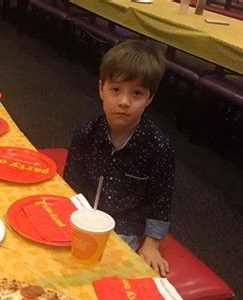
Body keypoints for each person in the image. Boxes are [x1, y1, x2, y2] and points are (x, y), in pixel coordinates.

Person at [64, 40, 174, 277]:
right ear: (101, 89)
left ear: (149, 98)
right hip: (84, 217)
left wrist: (152, 244)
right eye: (116, 90)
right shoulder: (86, 132)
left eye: (137, 93)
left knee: (103, 276)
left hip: (126, 227)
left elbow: (161, 200)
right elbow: (71, 181)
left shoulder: (158, 146)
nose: (124, 101)